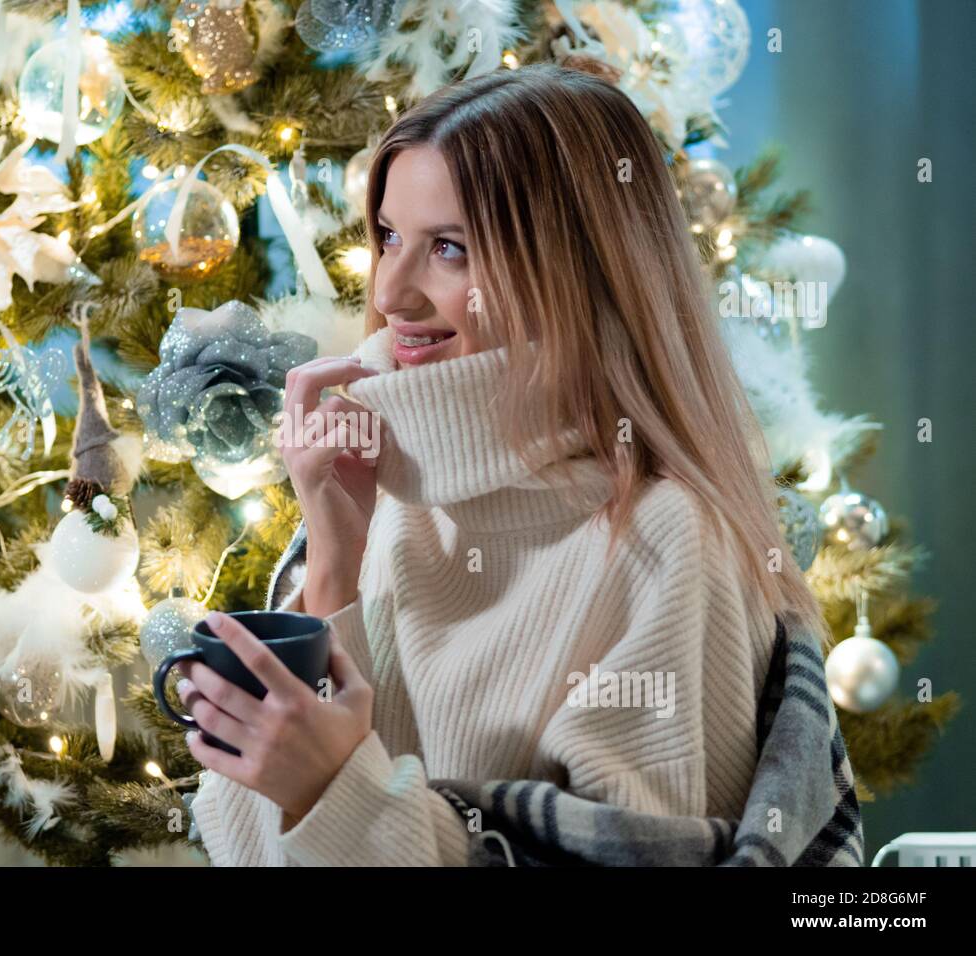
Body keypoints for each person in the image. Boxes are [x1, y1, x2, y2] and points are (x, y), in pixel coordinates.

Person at [178, 62, 830, 866]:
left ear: (578, 271)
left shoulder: (668, 540)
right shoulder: (380, 491)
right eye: (388, 236)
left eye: (450, 249)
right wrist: (334, 569)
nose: (390, 293)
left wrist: (335, 789)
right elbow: (247, 846)